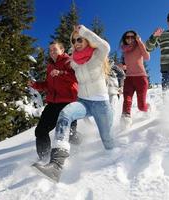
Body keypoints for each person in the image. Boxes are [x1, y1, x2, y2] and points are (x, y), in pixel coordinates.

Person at [32, 25, 113, 182]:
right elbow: (49, 85)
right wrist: (36, 85)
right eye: (74, 40)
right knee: (57, 120)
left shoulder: (90, 57)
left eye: (79, 39)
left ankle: (115, 159)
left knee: (108, 141)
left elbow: (105, 46)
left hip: (99, 104)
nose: (76, 42)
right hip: (78, 103)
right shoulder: (72, 61)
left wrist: (83, 31)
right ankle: (53, 164)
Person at [28, 41, 78, 162]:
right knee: (40, 131)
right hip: (53, 103)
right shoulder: (50, 66)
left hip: (68, 103)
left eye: (55, 49)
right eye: (50, 50)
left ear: (62, 50)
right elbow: (48, 85)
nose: (52, 52)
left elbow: (77, 76)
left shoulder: (69, 61)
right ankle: (44, 159)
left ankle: (77, 151)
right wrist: (35, 84)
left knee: (67, 134)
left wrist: (61, 73)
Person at [118, 30, 150, 128]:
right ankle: (125, 120)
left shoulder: (139, 46)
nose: (130, 39)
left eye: (132, 37)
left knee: (141, 106)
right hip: (129, 79)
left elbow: (147, 57)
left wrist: (140, 42)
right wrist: (122, 66)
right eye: (128, 37)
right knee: (127, 100)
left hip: (141, 78)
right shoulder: (124, 51)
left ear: (135, 38)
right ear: (125, 39)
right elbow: (126, 64)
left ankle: (147, 108)